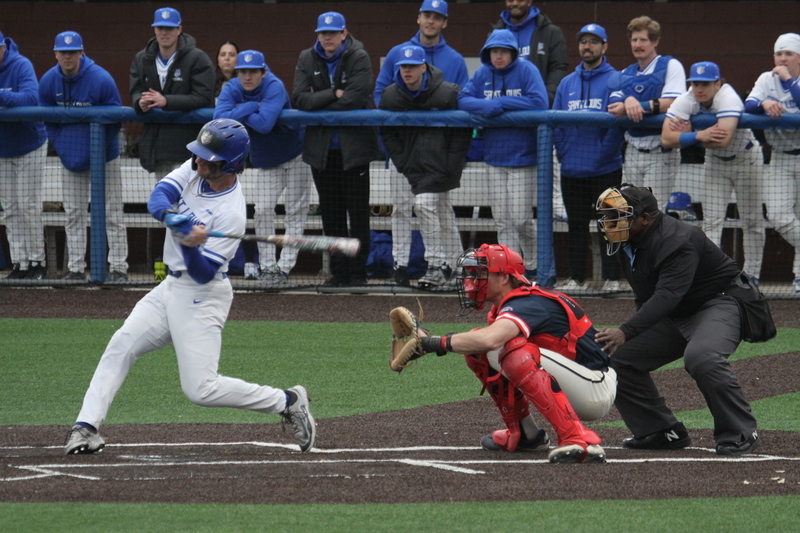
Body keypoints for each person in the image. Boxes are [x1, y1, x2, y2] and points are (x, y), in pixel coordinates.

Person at [64, 119, 316, 455]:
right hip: (169, 288)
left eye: (207, 159)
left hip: (203, 296)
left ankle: (287, 401)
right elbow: (159, 197)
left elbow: (202, 273)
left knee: (200, 390)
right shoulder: (195, 168)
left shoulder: (231, 213)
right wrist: (173, 219)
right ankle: (86, 427)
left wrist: (189, 243)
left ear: (229, 164)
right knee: (121, 344)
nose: (198, 162)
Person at [595, 185, 760, 455]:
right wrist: (629, 336)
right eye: (608, 216)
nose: (609, 223)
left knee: (702, 358)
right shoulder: (627, 240)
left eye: (618, 216)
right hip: (678, 311)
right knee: (615, 355)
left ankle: (741, 431)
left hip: (719, 303)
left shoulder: (677, 240)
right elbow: (649, 296)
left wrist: (626, 330)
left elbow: (667, 295)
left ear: (645, 218)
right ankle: (660, 431)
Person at [413, 244, 615, 463]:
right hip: (578, 380)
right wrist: (433, 342)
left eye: (480, 274)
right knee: (480, 350)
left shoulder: (527, 302)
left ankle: (577, 438)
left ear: (504, 278)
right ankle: (525, 434)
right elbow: (483, 342)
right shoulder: (510, 304)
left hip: (595, 386)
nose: (472, 281)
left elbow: (490, 339)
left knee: (511, 351)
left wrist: (433, 343)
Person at [373, 0, 469, 287]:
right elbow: (381, 95)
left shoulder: (454, 60)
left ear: (444, 22)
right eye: (427, 15)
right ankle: (400, 264)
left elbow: (462, 104)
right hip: (405, 150)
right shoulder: (397, 53)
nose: (431, 21)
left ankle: (452, 265)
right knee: (402, 207)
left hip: (437, 155)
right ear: (418, 18)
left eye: (437, 17)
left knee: (440, 210)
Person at [292, 11, 381, 287]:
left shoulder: (359, 56)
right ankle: (339, 272)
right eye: (322, 33)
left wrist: (319, 102)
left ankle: (358, 274)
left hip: (354, 150)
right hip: (321, 151)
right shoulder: (307, 57)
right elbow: (298, 99)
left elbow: (356, 97)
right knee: (331, 215)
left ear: (344, 34)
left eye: (332, 32)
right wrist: (333, 94)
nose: (327, 37)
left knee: (357, 214)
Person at [458, 29, 549, 285]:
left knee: (520, 219)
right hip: (494, 157)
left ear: (512, 53)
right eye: (494, 51)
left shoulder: (527, 70)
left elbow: (539, 102)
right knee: (503, 219)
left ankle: (533, 265)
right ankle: (512, 271)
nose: (499, 56)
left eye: (504, 51)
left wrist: (503, 103)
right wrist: (487, 107)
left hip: (523, 157)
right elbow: (463, 99)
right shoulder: (483, 73)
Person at [661, 61, 764, 285]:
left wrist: (688, 136)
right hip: (715, 162)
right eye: (696, 83)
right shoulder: (687, 98)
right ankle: (713, 274)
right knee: (711, 221)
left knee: (752, 220)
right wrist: (699, 135)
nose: (699, 89)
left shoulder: (728, 96)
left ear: (718, 83)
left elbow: (724, 139)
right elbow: (666, 138)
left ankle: (752, 275)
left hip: (746, 159)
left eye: (706, 84)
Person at [215, 50, 312, 288]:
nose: (247, 77)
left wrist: (238, 111)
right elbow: (219, 120)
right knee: (263, 210)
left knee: (295, 212)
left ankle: (284, 268)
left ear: (263, 72)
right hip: (267, 160)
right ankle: (267, 267)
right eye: (243, 72)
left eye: (253, 72)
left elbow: (265, 124)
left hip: (296, 154)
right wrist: (251, 106)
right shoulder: (231, 87)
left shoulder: (274, 85)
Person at [38, 31, 129, 281]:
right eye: (63, 52)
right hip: (71, 159)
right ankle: (76, 269)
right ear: (56, 54)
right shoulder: (48, 81)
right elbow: (47, 120)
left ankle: (119, 268)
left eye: (73, 52)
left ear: (82, 52)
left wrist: (96, 151)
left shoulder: (100, 79)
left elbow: (115, 119)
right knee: (74, 213)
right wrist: (65, 148)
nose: (68, 57)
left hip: (104, 157)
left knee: (112, 213)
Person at [552, 24, 623, 292]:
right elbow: (556, 124)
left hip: (606, 168)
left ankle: (612, 279)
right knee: (577, 227)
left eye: (594, 41)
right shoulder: (567, 83)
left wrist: (600, 156)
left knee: (611, 224)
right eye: (583, 41)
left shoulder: (615, 79)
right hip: (572, 169)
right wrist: (565, 152)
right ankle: (577, 278)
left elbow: (617, 126)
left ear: (604, 47)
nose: (587, 46)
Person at [608, 16, 686, 212]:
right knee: (629, 212)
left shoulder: (670, 65)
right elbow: (613, 105)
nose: (638, 44)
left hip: (660, 150)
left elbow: (674, 102)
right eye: (634, 40)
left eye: (643, 40)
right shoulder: (626, 72)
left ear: (655, 42)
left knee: (652, 213)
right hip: (633, 150)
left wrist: (638, 105)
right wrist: (627, 101)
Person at [130, 7, 215, 177]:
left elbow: (203, 97)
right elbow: (135, 89)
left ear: (179, 29)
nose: (164, 33)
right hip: (157, 143)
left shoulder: (197, 58)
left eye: (169, 28)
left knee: (189, 198)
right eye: (160, 28)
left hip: (187, 143)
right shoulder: (142, 58)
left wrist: (167, 101)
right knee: (165, 198)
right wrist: (139, 101)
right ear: (154, 29)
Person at [745, 33, 800, 293]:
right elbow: (749, 104)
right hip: (779, 156)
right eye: (779, 54)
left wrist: (789, 81)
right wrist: (765, 102)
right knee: (778, 216)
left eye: (788, 54)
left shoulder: (791, 79)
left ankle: (799, 278)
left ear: (798, 57)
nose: (782, 59)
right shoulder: (767, 79)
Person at [0, 30, 48, 280]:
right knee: (10, 208)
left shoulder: (20, 64)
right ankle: (20, 264)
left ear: (3, 48)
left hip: (30, 143)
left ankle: (38, 263)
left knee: (28, 205)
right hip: (3, 149)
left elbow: (31, 97)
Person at [490, 0, 568, 106]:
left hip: (536, 110)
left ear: (529, 1)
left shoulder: (551, 32)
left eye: (520, 0)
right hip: (502, 109)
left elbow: (558, 68)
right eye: (510, 0)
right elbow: (489, 68)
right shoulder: (495, 34)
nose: (514, 3)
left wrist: (546, 97)